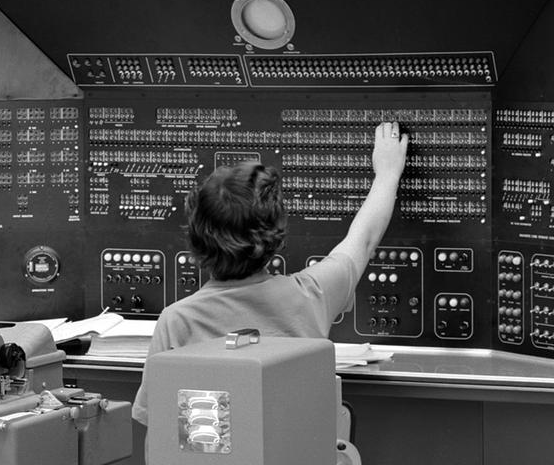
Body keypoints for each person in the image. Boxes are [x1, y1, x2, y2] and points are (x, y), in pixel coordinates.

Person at [131, 119, 408, 429]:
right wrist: (388, 173)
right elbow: (365, 237)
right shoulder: (311, 294)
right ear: (275, 236)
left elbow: (158, 437)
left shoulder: (176, 321)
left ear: (195, 238)